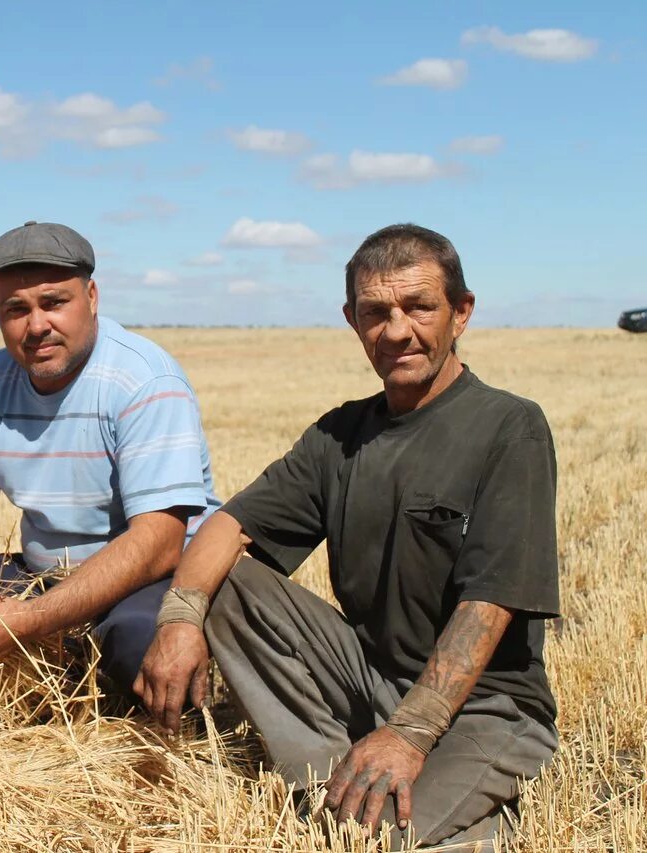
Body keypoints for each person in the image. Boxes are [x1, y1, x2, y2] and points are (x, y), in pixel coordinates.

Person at [135, 224, 560, 848]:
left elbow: (488, 602)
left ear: (461, 313)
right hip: (370, 680)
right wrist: (179, 617)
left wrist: (412, 732)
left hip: (486, 706)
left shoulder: (508, 426)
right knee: (224, 579)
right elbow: (230, 523)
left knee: (372, 838)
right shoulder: (340, 434)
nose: (396, 331)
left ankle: (455, 808)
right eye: (375, 313)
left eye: (419, 307)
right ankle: (328, 779)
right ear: (352, 320)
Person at [0, 221, 222, 699]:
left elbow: (159, 544)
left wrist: (32, 619)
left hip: (150, 578)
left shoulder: (143, 381)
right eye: (16, 309)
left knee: (136, 648)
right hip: (41, 574)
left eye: (54, 302)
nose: (36, 324)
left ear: (93, 297)